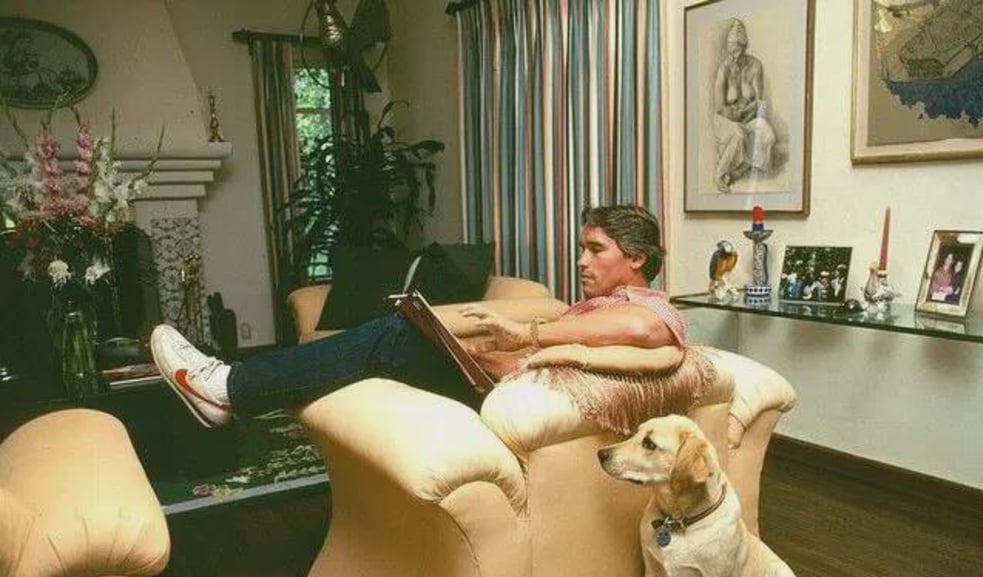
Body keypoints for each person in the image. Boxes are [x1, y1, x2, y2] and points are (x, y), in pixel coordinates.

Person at [150, 204, 686, 427]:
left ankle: (229, 387)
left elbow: (643, 330)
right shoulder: (595, 306)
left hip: (501, 401)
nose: (580, 260)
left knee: (391, 337)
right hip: (495, 381)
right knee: (397, 334)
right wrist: (486, 353)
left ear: (637, 259)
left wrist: (530, 331)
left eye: (595, 250)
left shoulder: (649, 306)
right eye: (582, 248)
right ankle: (238, 393)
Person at [712, 19, 776, 193]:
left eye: (737, 50)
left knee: (767, 134)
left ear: (744, 47)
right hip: (725, 119)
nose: (733, 55)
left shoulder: (755, 66)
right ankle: (720, 174)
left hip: (748, 116)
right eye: (730, 51)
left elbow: (760, 102)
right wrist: (736, 116)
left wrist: (751, 114)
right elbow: (719, 107)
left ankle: (737, 173)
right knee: (739, 134)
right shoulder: (723, 70)